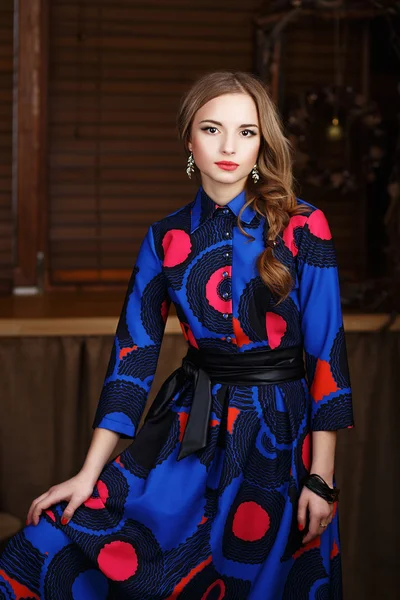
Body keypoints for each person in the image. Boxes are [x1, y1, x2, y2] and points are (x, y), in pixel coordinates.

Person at [0, 71, 354, 599]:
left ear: (263, 143)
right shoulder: (164, 237)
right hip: (192, 428)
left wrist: (321, 478)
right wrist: (88, 473)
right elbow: (133, 358)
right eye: (212, 129)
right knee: (34, 554)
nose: (230, 147)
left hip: (278, 435)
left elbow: (327, 352)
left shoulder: (304, 227)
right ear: (189, 138)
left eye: (247, 132)